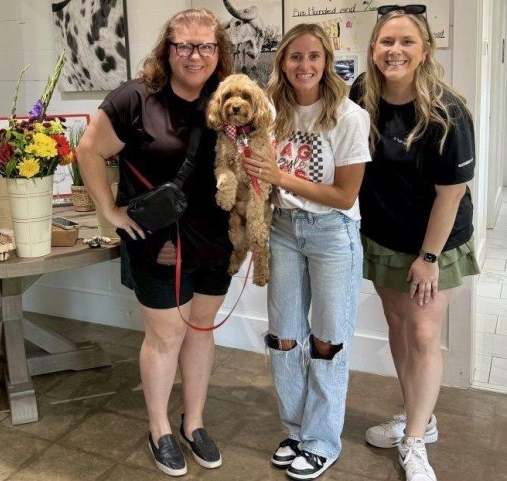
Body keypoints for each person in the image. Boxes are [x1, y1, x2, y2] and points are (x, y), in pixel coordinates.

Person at [76, 8, 234, 478]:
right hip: (159, 240)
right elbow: (88, 150)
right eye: (184, 45)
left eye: (206, 46)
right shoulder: (135, 99)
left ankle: (194, 422)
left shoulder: (226, 97)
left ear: (218, 51)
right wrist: (110, 212)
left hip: (216, 238)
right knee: (166, 336)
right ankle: (160, 427)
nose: (195, 55)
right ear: (167, 50)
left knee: (201, 329)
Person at [349, 5, 480, 481]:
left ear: (425, 50)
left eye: (407, 41)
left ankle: (415, 440)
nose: (395, 50)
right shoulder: (361, 95)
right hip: (384, 236)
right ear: (373, 49)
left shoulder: (448, 110)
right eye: (387, 41)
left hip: (436, 242)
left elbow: (452, 194)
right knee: (399, 325)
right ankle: (417, 417)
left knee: (424, 334)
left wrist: (428, 258)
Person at [243, 23, 371, 480]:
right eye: (295, 56)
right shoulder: (270, 112)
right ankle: (297, 431)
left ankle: (322, 440)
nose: (304, 65)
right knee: (284, 336)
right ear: (282, 62)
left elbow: (344, 195)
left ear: (327, 62)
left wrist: (281, 177)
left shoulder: (349, 116)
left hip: (331, 234)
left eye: (314, 56)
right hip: (281, 228)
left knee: (327, 340)